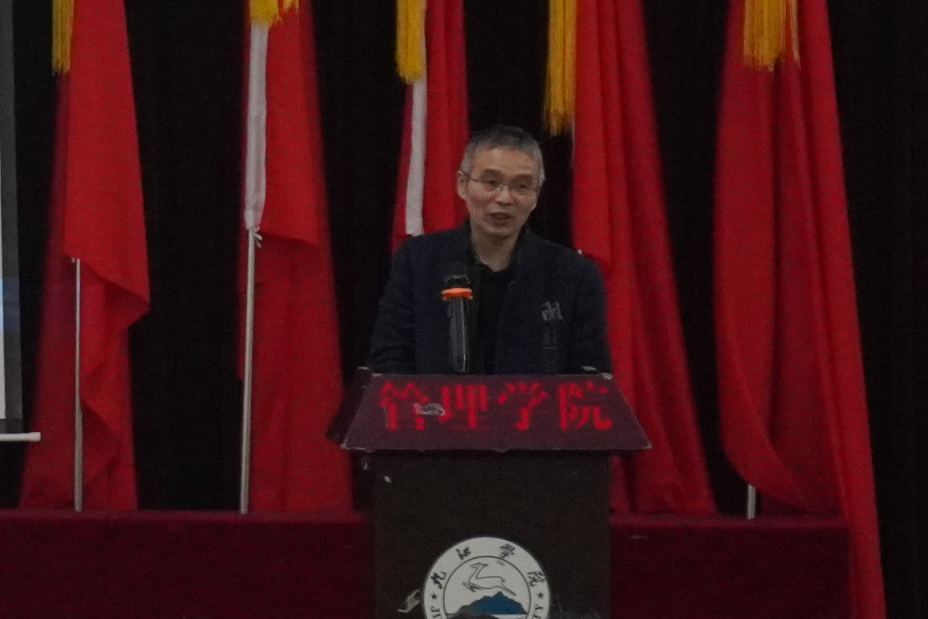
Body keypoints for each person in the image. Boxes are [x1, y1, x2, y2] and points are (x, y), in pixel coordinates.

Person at [368, 125, 611, 375]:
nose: (504, 198)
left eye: (521, 186)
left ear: (536, 195)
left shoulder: (574, 275)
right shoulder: (417, 261)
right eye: (491, 182)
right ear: (462, 184)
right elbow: (389, 362)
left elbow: (591, 377)